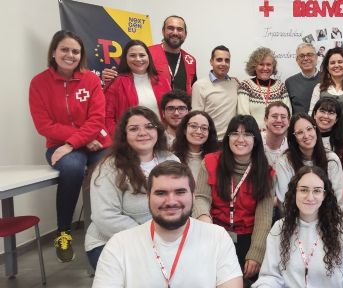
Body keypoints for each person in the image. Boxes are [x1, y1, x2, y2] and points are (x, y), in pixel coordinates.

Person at [92, 161, 243, 288]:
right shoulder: (119, 245)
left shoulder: (217, 237)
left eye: (180, 192)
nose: (171, 201)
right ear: (148, 198)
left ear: (193, 196)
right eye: (161, 193)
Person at [29, 30, 111, 262]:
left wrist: (77, 140)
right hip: (61, 145)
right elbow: (44, 125)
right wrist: (77, 140)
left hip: (96, 142)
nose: (70, 55)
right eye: (64, 49)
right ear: (53, 53)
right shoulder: (39, 83)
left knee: (111, 166)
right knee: (73, 169)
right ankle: (63, 231)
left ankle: (106, 228)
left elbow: (97, 118)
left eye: (75, 51)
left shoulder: (91, 80)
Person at [253, 166, 343, 287]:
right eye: (303, 190)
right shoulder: (280, 228)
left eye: (317, 191)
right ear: (294, 192)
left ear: (324, 195)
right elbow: (271, 276)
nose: (310, 197)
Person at [86, 106, 179, 269]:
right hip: (112, 241)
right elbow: (105, 217)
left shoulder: (171, 160)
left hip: (164, 239)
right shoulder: (109, 167)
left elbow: (182, 200)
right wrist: (150, 240)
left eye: (149, 127)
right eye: (134, 129)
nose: (143, 133)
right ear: (125, 135)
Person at [193, 115, 275, 284]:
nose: (240, 139)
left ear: (256, 140)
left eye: (247, 134)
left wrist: (257, 252)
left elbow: (264, 216)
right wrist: (204, 222)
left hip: (248, 238)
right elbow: (201, 197)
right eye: (235, 134)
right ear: (227, 137)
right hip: (214, 233)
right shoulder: (210, 162)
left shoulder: (265, 172)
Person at [102, 16, 197, 95]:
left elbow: (193, 90)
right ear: (163, 31)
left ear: (185, 34)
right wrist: (109, 77)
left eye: (180, 29)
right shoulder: (145, 54)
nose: (175, 32)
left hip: (180, 113)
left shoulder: (190, 60)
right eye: (170, 28)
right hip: (149, 112)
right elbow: (123, 79)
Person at [274, 114, 343, 211]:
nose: (306, 135)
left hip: (327, 217)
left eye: (309, 129)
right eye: (299, 132)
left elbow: (337, 199)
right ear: (293, 137)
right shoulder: (284, 161)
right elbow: (284, 201)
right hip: (294, 218)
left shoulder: (331, 159)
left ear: (315, 130)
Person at [104, 40, 171, 135]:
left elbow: (170, 111)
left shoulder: (162, 81)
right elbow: (108, 117)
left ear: (148, 57)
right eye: (132, 55)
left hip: (161, 138)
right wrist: (120, 139)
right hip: (130, 141)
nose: (138, 59)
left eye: (142, 55)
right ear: (125, 58)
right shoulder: (116, 82)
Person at [192, 45, 239, 141]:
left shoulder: (235, 84)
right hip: (210, 140)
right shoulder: (200, 85)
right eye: (219, 60)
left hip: (232, 140)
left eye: (227, 60)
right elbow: (196, 118)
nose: (223, 63)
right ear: (211, 62)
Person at [238, 47, 291, 130]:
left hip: (277, 136)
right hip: (254, 137)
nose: (265, 68)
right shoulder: (245, 86)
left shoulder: (281, 86)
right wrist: (258, 134)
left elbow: (287, 114)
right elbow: (243, 115)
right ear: (254, 66)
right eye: (261, 64)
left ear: (273, 67)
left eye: (268, 64)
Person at [311, 98, 343, 189]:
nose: (326, 116)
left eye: (331, 113)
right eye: (322, 111)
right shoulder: (306, 139)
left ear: (336, 119)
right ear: (314, 114)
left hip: (337, 193)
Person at [172, 111, 219, 182]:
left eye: (204, 128)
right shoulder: (172, 158)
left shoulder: (217, 159)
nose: (199, 132)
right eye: (193, 126)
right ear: (184, 130)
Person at [285, 43, 320, 115]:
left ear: (316, 58)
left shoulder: (328, 79)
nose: (306, 58)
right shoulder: (290, 82)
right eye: (301, 56)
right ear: (297, 60)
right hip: (298, 125)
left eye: (309, 55)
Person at [262, 102, 290, 167]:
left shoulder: (292, 148)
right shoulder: (255, 143)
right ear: (265, 120)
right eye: (274, 116)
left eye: (283, 117)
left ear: (289, 122)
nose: (279, 120)